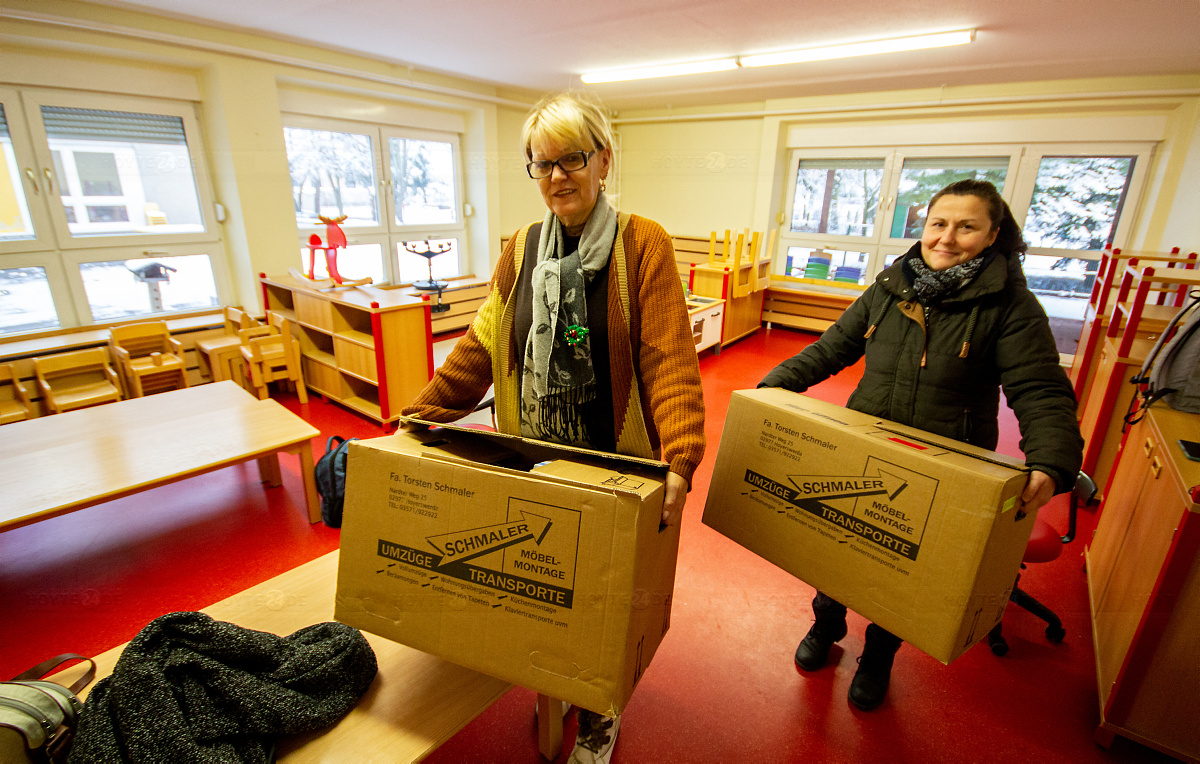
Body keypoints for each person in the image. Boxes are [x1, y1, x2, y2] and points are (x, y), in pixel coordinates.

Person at [400, 91, 705, 763]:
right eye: (542, 164)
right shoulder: (523, 246)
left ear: (603, 161)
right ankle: (555, 686)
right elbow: (484, 345)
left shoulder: (641, 243)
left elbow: (667, 356)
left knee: (603, 599)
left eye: (572, 158)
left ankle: (600, 712)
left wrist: (680, 457)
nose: (558, 176)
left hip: (611, 459)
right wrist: (419, 417)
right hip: (534, 452)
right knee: (543, 587)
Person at [758, 179, 1083, 711]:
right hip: (863, 447)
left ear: (993, 234)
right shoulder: (891, 286)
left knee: (902, 569)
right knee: (835, 547)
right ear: (923, 227)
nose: (947, 237)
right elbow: (833, 348)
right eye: (938, 223)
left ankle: (879, 655)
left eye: (966, 226)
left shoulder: (1010, 305)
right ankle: (826, 627)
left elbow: (1040, 387)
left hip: (945, 465)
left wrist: (1050, 460)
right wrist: (769, 388)